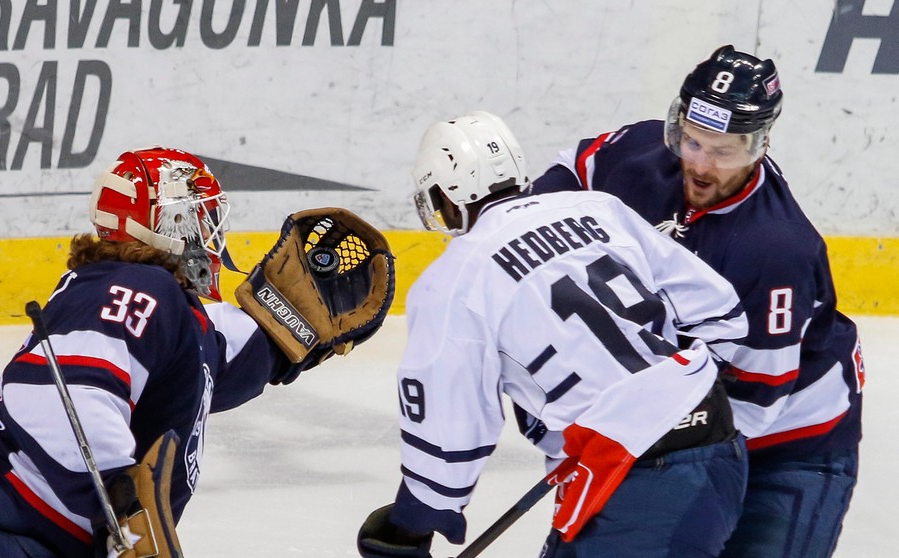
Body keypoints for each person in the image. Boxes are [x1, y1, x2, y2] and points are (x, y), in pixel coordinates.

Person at [0, 147, 393, 557]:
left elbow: (214, 360)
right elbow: (61, 398)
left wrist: (285, 333)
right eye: (201, 215)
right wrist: (126, 512)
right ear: (171, 223)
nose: (211, 233)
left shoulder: (159, 307)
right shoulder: (135, 287)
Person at [357, 111, 752, 558]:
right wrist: (671, 395)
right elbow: (718, 310)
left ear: (450, 192)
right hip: (719, 449)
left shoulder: (453, 279)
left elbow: (451, 426)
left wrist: (413, 522)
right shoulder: (598, 208)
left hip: (637, 475)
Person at [531, 45, 863, 557]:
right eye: (691, 141)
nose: (701, 165)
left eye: (723, 151)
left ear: (759, 144)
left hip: (793, 441)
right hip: (689, 409)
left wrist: (634, 431)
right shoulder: (641, 155)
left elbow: (755, 403)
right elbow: (573, 173)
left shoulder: (775, 249)